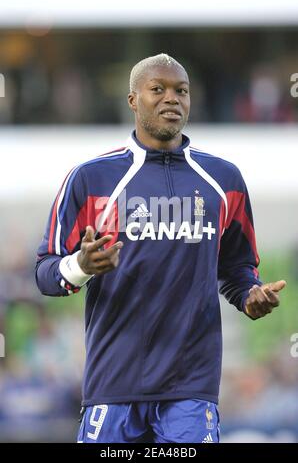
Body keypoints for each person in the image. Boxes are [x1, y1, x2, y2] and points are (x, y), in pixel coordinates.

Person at [35, 53, 286, 443]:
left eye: (181, 91)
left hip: (191, 386)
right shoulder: (91, 178)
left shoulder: (224, 179)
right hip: (113, 382)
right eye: (158, 89)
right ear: (133, 100)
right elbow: (45, 274)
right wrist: (80, 266)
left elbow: (237, 268)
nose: (172, 98)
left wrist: (250, 296)